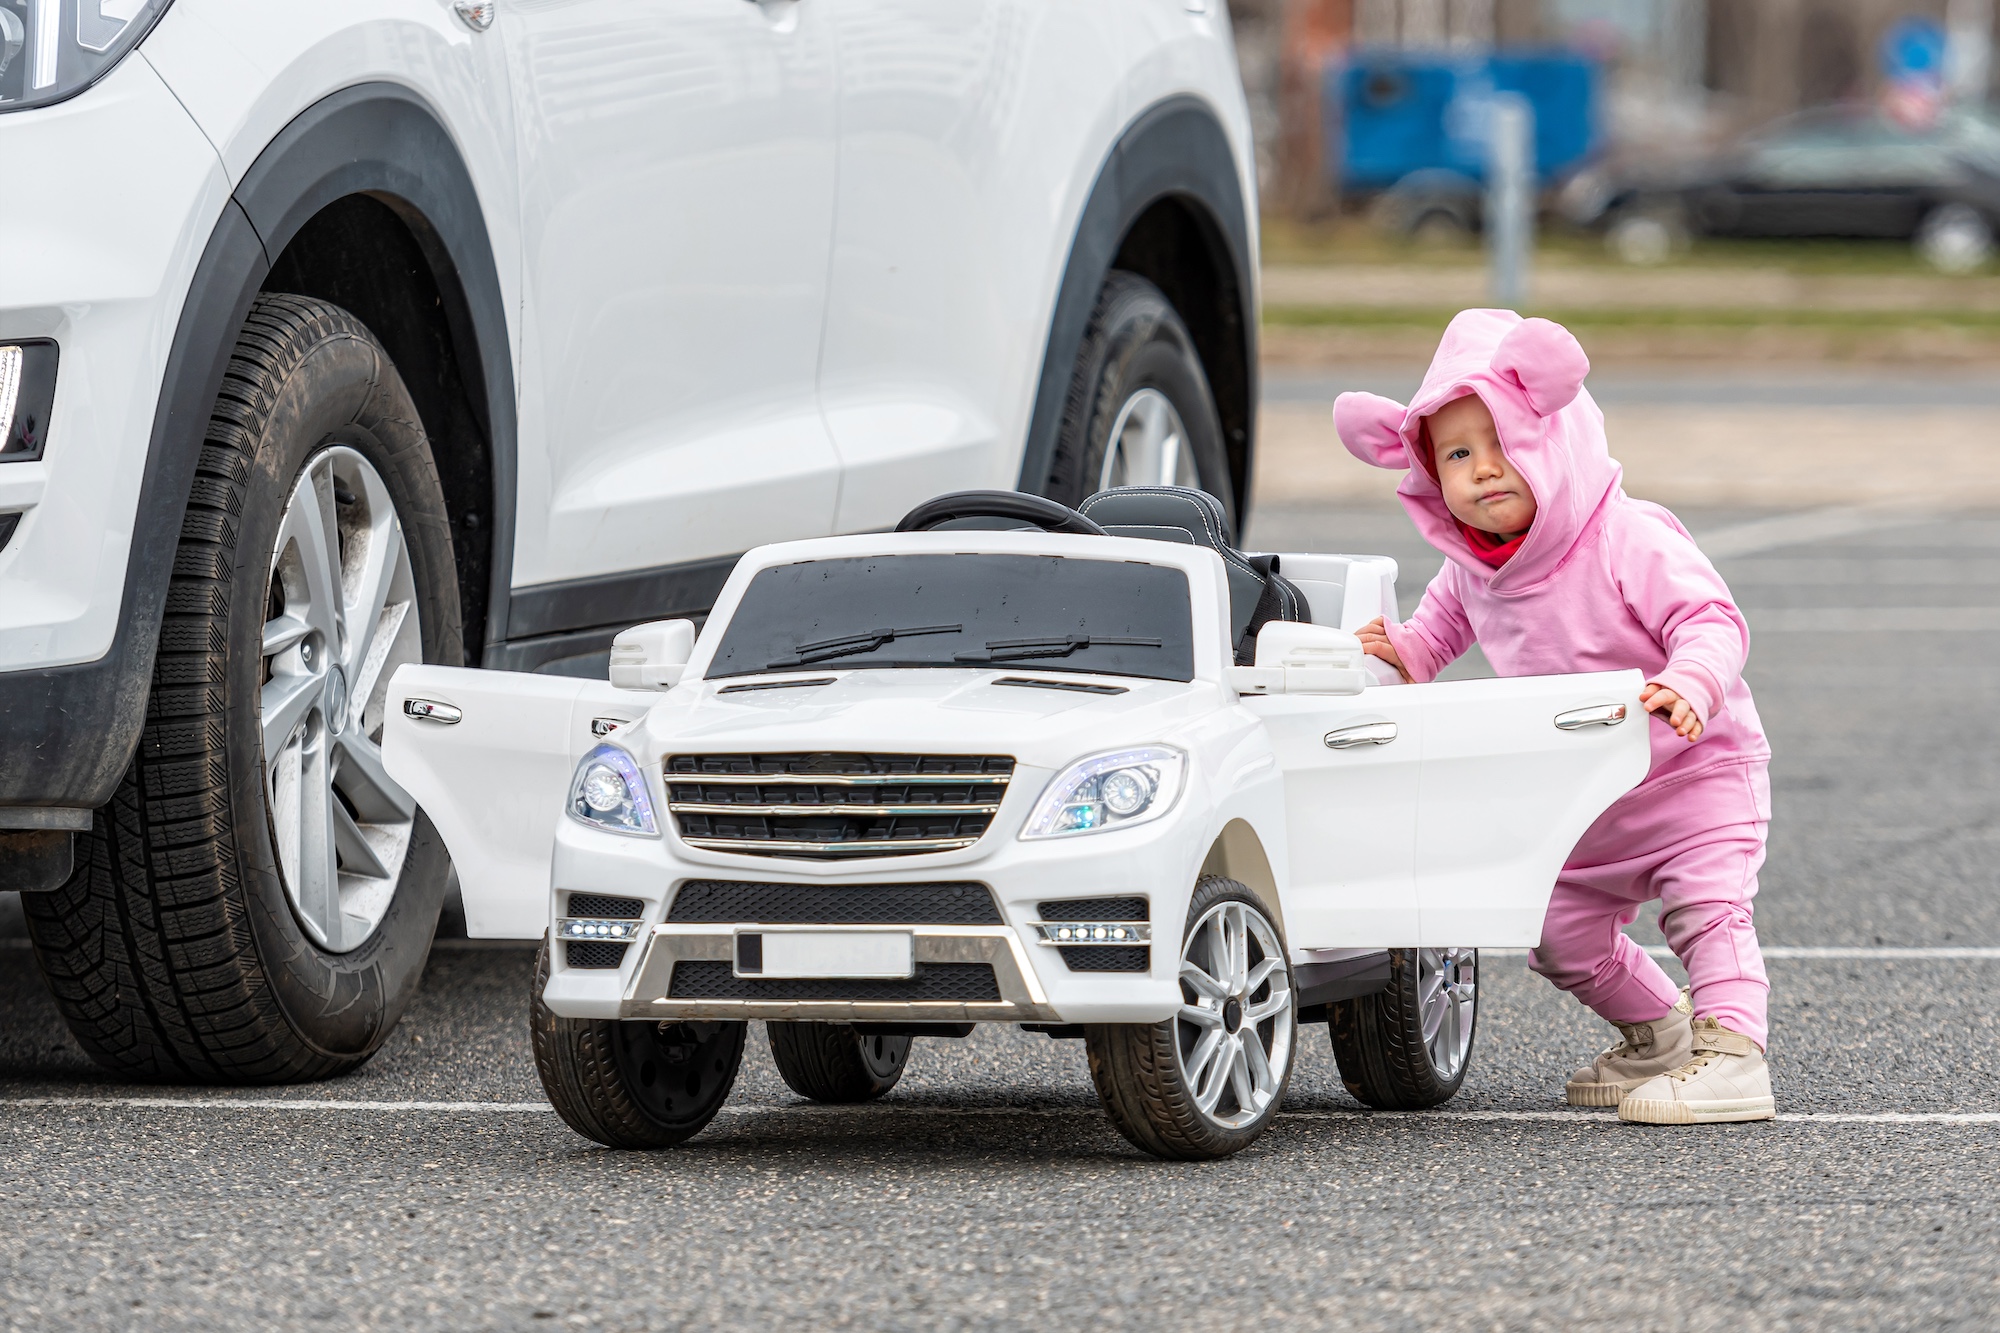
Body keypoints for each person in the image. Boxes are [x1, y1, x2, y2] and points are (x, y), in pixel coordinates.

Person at [1334, 309, 1774, 1125]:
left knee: (1707, 909)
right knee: (1557, 934)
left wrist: (1692, 680)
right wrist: (1399, 651)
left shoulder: (1626, 535)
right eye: (1459, 454)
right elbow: (1437, 635)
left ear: (1557, 435)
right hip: (1587, 793)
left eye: (1505, 445)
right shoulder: (1473, 568)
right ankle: (1663, 1034)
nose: (1485, 470)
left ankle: (1736, 1053)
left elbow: (1712, 620)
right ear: (1430, 474)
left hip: (1692, 771)